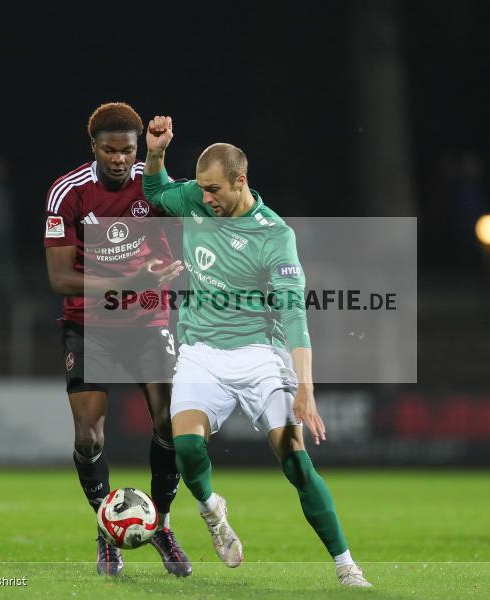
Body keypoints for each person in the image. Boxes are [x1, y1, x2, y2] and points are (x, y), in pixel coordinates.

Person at [141, 114, 372, 588]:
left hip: (260, 357)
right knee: (185, 448)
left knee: (294, 459)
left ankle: (346, 565)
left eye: (214, 191)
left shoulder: (274, 235)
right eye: (201, 190)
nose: (204, 200)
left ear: (240, 181)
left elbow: (293, 315)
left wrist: (305, 387)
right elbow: (156, 190)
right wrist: (157, 152)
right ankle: (212, 513)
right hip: (201, 349)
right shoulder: (196, 198)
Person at [43, 102, 190, 577]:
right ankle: (109, 532)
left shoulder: (152, 180)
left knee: (168, 421)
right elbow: (61, 278)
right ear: (94, 148)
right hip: (89, 323)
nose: (120, 160)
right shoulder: (68, 193)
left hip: (149, 318)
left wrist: (176, 266)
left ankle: (162, 526)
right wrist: (126, 283)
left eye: (127, 150)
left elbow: (181, 237)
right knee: (89, 436)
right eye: (110, 150)